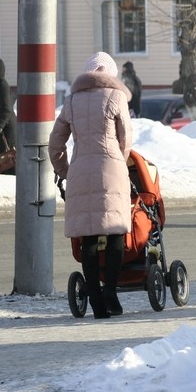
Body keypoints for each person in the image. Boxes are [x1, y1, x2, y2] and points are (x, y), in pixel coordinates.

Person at [49, 52, 133, 319]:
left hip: (80, 170)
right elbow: (125, 139)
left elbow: (55, 145)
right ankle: (110, 290)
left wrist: (66, 170)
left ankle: (95, 297)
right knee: (115, 233)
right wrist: (119, 160)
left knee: (87, 237)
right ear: (111, 75)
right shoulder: (117, 97)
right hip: (111, 168)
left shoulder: (71, 101)